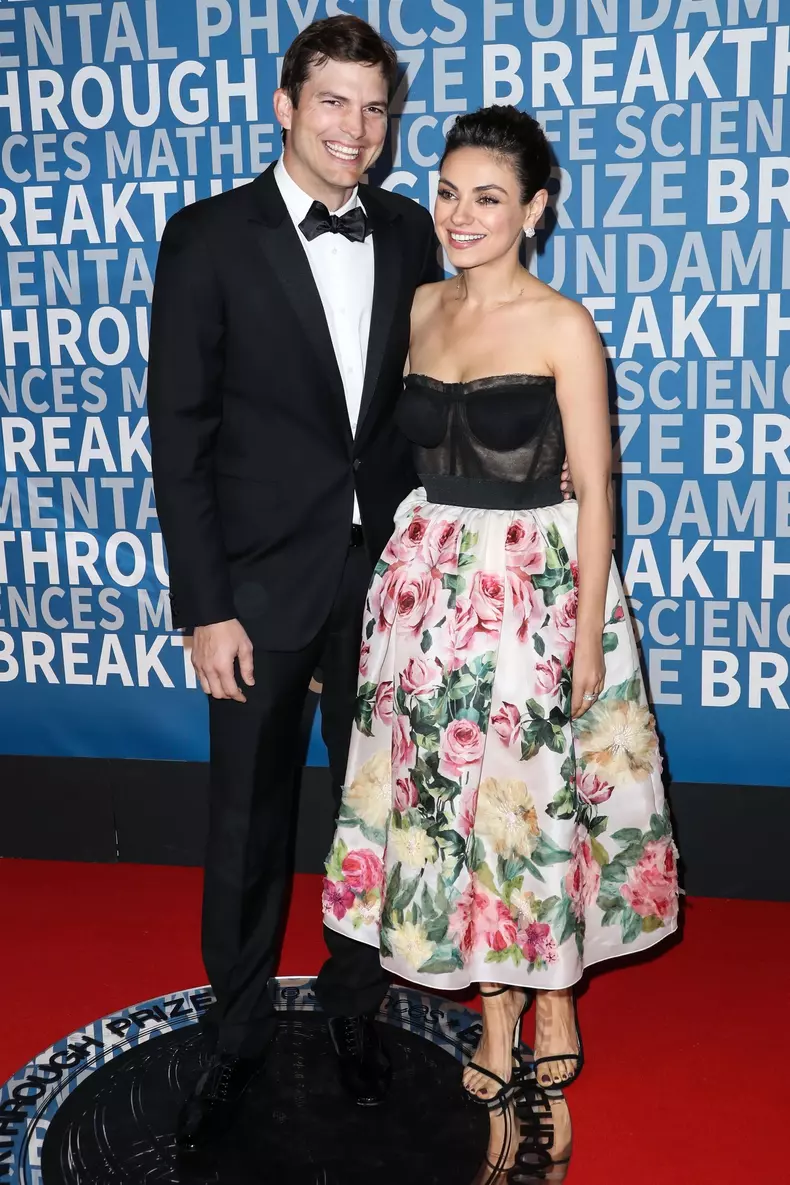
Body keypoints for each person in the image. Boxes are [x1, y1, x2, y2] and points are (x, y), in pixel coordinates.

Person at [324, 104, 679, 1170]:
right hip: (426, 594)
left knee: (530, 804)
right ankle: (493, 1018)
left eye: (488, 197)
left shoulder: (563, 325)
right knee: (452, 811)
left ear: (535, 209)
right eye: (447, 192)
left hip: (534, 592)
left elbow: (597, 489)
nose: (460, 213)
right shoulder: (419, 308)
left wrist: (586, 636)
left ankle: (552, 992)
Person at [147, 16, 441, 1149]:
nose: (355, 130)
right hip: (258, 592)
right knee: (247, 820)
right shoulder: (207, 238)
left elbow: (430, 394)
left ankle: (357, 1006)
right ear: (284, 105)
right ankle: (234, 1035)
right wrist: (205, 606)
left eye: (374, 108)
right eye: (333, 102)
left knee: (374, 811)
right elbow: (180, 434)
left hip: (386, 582)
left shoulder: (408, 231)